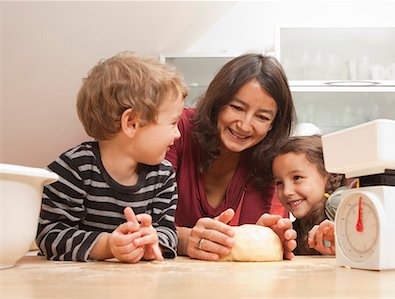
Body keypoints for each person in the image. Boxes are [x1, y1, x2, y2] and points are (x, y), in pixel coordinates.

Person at [36, 51, 188, 263]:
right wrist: (107, 246)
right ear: (131, 123)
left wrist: (154, 241)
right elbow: (49, 235)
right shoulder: (73, 169)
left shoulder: (163, 176)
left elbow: (168, 230)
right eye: (173, 123)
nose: (178, 133)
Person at [166, 53, 297, 261]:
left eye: (262, 117)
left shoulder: (263, 161)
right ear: (218, 103)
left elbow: (243, 238)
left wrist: (265, 236)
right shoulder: (177, 129)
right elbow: (143, 221)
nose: (244, 125)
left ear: (273, 125)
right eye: (237, 108)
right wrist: (183, 239)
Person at [272, 135, 347, 255]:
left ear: (327, 175)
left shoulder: (340, 204)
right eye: (279, 183)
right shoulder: (296, 227)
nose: (286, 191)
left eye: (297, 178)